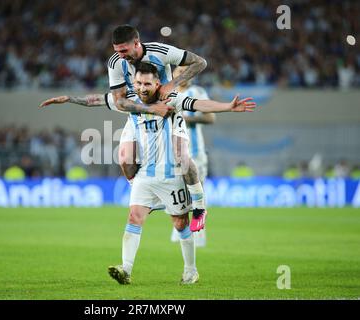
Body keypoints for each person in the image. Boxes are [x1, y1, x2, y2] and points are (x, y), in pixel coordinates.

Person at [43, 62, 256, 284]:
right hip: (145, 174)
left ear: (157, 83)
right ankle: (125, 269)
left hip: (172, 175)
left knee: (180, 223)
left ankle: (191, 270)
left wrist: (227, 107)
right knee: (134, 217)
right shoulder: (129, 101)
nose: (142, 88)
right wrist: (68, 98)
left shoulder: (171, 99)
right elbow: (96, 100)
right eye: (138, 83)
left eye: (147, 83)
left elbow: (199, 104)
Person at [40, 24, 210, 232]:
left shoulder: (161, 52)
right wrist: (69, 99)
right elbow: (117, 101)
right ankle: (142, 191)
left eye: (124, 50)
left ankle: (200, 207)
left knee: (181, 156)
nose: (120, 55)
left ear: (136, 43)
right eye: (116, 50)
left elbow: (200, 62)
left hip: (168, 109)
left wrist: (172, 84)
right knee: (124, 159)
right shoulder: (116, 62)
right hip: (139, 112)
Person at [170, 66, 215, 247]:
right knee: (177, 195)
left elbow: (210, 118)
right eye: (179, 72)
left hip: (195, 153)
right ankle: (178, 232)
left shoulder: (196, 92)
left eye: (187, 72)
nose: (183, 75)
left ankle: (199, 236)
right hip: (173, 155)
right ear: (173, 74)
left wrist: (185, 119)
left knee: (198, 195)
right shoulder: (169, 93)